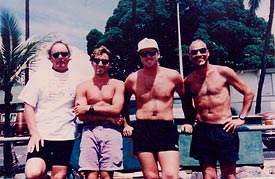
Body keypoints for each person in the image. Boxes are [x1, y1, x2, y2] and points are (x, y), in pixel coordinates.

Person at [181, 39, 255, 179]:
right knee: (209, 176)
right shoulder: (189, 80)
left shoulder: (224, 72)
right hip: (202, 130)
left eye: (202, 50)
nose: (199, 54)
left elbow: (248, 92)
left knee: (229, 175)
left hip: (224, 128)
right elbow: (187, 105)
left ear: (208, 53)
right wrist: (189, 122)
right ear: (190, 56)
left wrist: (241, 118)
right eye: (194, 52)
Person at [18, 40, 86, 179]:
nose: (60, 57)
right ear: (50, 58)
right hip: (41, 137)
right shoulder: (39, 77)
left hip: (66, 136)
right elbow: (28, 106)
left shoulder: (79, 79)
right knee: (33, 173)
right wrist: (34, 133)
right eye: (56, 54)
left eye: (64, 53)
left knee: (59, 176)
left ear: (69, 56)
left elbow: (84, 104)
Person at [122, 37, 186, 179]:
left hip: (166, 129)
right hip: (143, 129)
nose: (148, 57)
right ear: (140, 57)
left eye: (151, 52)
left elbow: (186, 99)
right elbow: (122, 104)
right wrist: (126, 124)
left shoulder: (173, 76)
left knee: (171, 175)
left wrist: (188, 121)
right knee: (151, 176)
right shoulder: (132, 79)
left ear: (158, 53)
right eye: (143, 54)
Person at [73, 46, 125, 179]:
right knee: (90, 174)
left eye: (104, 61)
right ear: (91, 62)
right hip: (89, 131)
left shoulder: (117, 84)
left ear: (110, 64)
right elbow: (81, 115)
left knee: (107, 175)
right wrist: (108, 118)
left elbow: (116, 109)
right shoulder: (82, 86)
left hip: (112, 131)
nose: (100, 64)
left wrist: (89, 108)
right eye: (97, 60)